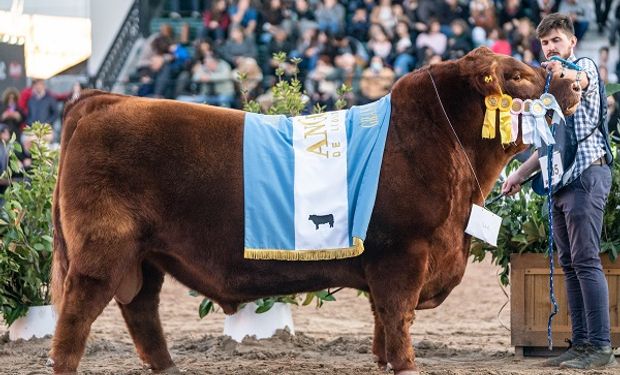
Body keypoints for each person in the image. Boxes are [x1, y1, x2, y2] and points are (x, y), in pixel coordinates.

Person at [502, 13, 616, 370]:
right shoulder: (548, 92)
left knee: (585, 261)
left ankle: (600, 346)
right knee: (569, 264)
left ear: (571, 42)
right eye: (545, 43)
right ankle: (581, 344)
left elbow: (578, 79)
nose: (550, 47)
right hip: (561, 182)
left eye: (556, 41)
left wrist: (561, 73)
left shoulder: (582, 67)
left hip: (587, 174)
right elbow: (548, 145)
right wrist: (518, 175)